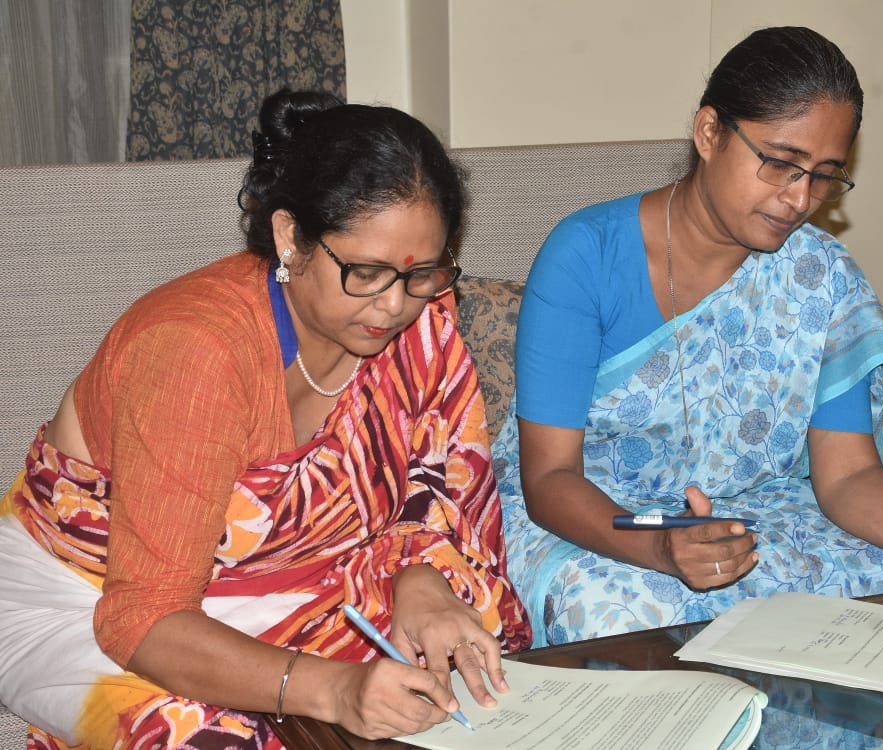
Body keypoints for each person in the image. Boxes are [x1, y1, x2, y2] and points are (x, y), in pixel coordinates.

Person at [491, 26, 883, 647]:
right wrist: (661, 546)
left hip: (758, 510)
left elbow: (847, 476)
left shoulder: (819, 276)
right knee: (621, 617)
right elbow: (550, 479)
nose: (799, 198)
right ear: (709, 132)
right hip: (597, 519)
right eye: (781, 163)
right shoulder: (587, 257)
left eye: (823, 176)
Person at [0, 89, 531, 748]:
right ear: (289, 236)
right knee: (213, 738)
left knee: (468, 657)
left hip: (305, 579)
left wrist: (419, 582)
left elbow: (426, 499)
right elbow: (142, 616)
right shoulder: (196, 351)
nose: (395, 305)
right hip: (90, 601)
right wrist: (336, 690)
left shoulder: (420, 324)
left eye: (422, 272)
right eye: (365, 272)